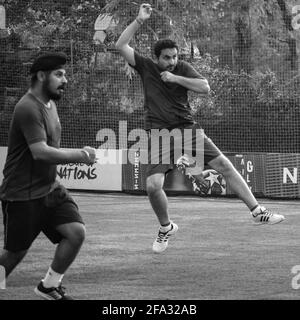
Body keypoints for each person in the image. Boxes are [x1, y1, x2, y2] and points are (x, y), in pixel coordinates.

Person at [115, 3, 285, 254]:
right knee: (152, 186)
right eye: (167, 58)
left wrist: (175, 78)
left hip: (187, 129)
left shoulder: (181, 69)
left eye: (174, 56)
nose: (172, 61)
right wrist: (139, 20)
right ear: (157, 58)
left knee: (225, 166)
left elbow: (205, 87)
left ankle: (257, 211)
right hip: (158, 134)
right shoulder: (146, 66)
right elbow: (121, 45)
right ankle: (166, 228)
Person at [0, 52, 97, 299]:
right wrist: (82, 155)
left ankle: (49, 286)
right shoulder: (27, 107)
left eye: (64, 74)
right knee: (14, 254)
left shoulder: (50, 104)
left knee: (76, 233)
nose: (65, 80)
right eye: (59, 74)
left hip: (49, 188)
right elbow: (40, 152)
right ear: (41, 76)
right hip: (21, 194)